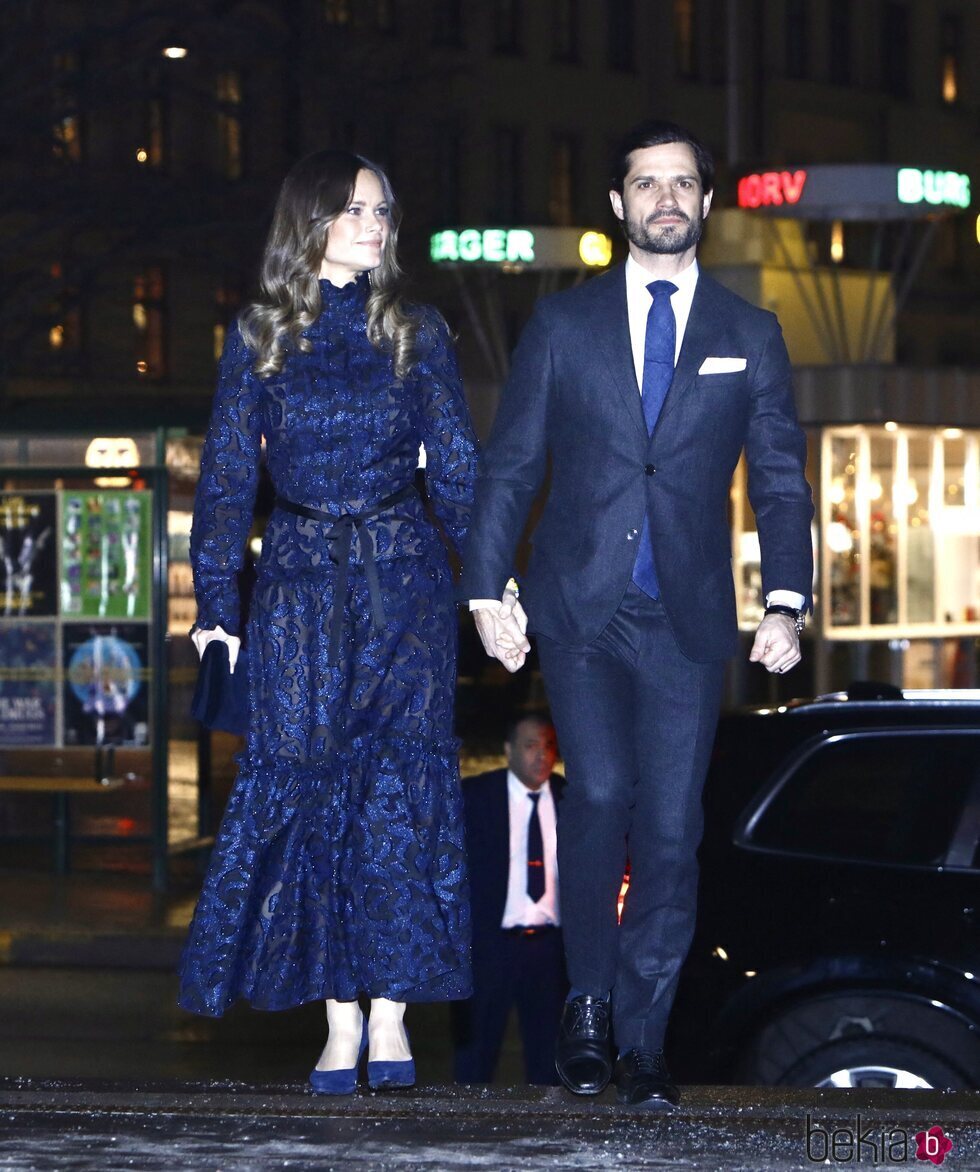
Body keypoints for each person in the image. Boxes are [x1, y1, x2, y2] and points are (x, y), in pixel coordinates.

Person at [460, 119, 813, 1110]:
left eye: (681, 183)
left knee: (668, 828)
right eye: (644, 183)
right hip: (580, 608)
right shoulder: (562, 327)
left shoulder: (748, 334)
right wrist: (487, 587)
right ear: (615, 205)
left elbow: (780, 482)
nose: (663, 197)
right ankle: (585, 1006)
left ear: (705, 203)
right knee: (602, 793)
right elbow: (511, 462)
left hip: (688, 622)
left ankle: (645, 1037)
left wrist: (784, 599)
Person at [177, 149, 479, 1095]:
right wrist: (215, 608)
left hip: (404, 588)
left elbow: (461, 468)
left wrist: (490, 583)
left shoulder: (417, 330)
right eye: (354, 210)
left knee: (397, 793)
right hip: (301, 588)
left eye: (384, 211)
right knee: (311, 795)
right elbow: (227, 481)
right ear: (308, 220)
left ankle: (391, 1014)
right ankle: (338, 1018)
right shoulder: (261, 334)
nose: (374, 224)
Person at [453, 713, 567, 1085]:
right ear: (509, 751)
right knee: (476, 1053)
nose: (541, 755)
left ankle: (551, 1131)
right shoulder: (478, 796)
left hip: (550, 949)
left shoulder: (569, 797)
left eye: (548, 745)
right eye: (530, 745)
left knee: (550, 1055)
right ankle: (467, 1126)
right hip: (491, 946)